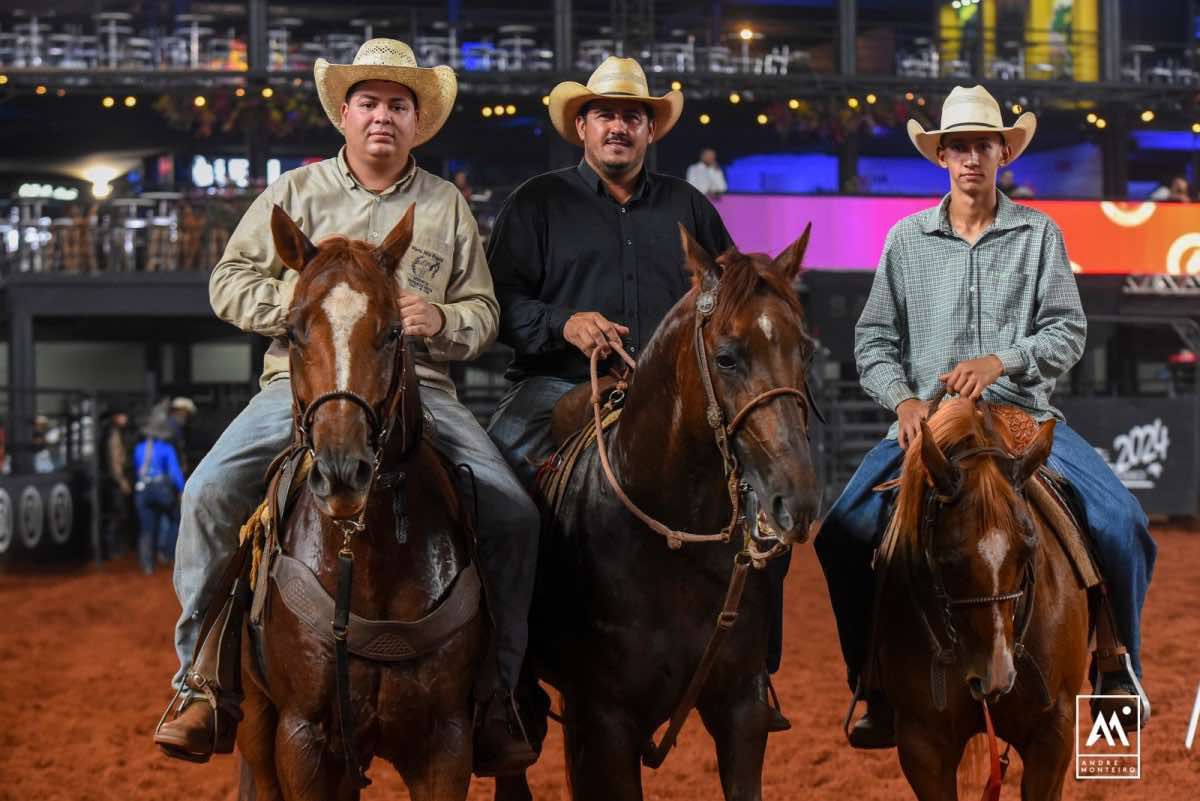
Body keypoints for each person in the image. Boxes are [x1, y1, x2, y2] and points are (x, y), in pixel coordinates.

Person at [153, 39, 540, 776]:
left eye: (398, 104)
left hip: (420, 390)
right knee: (206, 493)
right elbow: (227, 279)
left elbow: (483, 308)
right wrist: (305, 310)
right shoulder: (293, 195)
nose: (382, 117)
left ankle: (499, 691)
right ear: (345, 111)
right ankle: (199, 679)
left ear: (416, 119)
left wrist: (444, 322)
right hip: (301, 388)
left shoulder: (445, 204)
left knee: (514, 513)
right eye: (369, 102)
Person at [814, 85, 1156, 749]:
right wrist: (906, 400)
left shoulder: (1039, 235)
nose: (972, 156)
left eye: (984, 144)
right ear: (942, 156)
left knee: (1124, 521)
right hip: (930, 425)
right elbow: (872, 341)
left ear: (1005, 151)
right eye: (960, 146)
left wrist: (1002, 361)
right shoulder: (905, 240)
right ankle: (875, 682)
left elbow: (1068, 331)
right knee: (840, 533)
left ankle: (1117, 669)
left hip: (1020, 419)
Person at [485, 56, 790, 731]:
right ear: (582, 128)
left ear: (650, 130)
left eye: (632, 115)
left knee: (772, 506)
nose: (618, 125)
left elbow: (732, 301)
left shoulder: (689, 206)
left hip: (680, 401)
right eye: (605, 114)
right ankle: (505, 681)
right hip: (555, 384)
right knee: (490, 496)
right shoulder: (536, 203)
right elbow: (498, 303)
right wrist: (563, 322)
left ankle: (754, 671)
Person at [133, 412, 186, 575]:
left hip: (142, 491)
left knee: (147, 528)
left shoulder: (139, 449)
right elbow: (174, 471)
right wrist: (182, 489)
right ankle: (168, 553)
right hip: (161, 490)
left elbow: (136, 470)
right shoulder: (166, 449)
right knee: (176, 519)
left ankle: (147, 565)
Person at [101, 407, 134, 559]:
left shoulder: (114, 433)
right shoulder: (113, 434)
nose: (125, 418)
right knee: (117, 515)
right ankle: (111, 549)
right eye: (122, 415)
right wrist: (122, 481)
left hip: (114, 479)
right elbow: (115, 462)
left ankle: (114, 548)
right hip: (115, 481)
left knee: (118, 515)